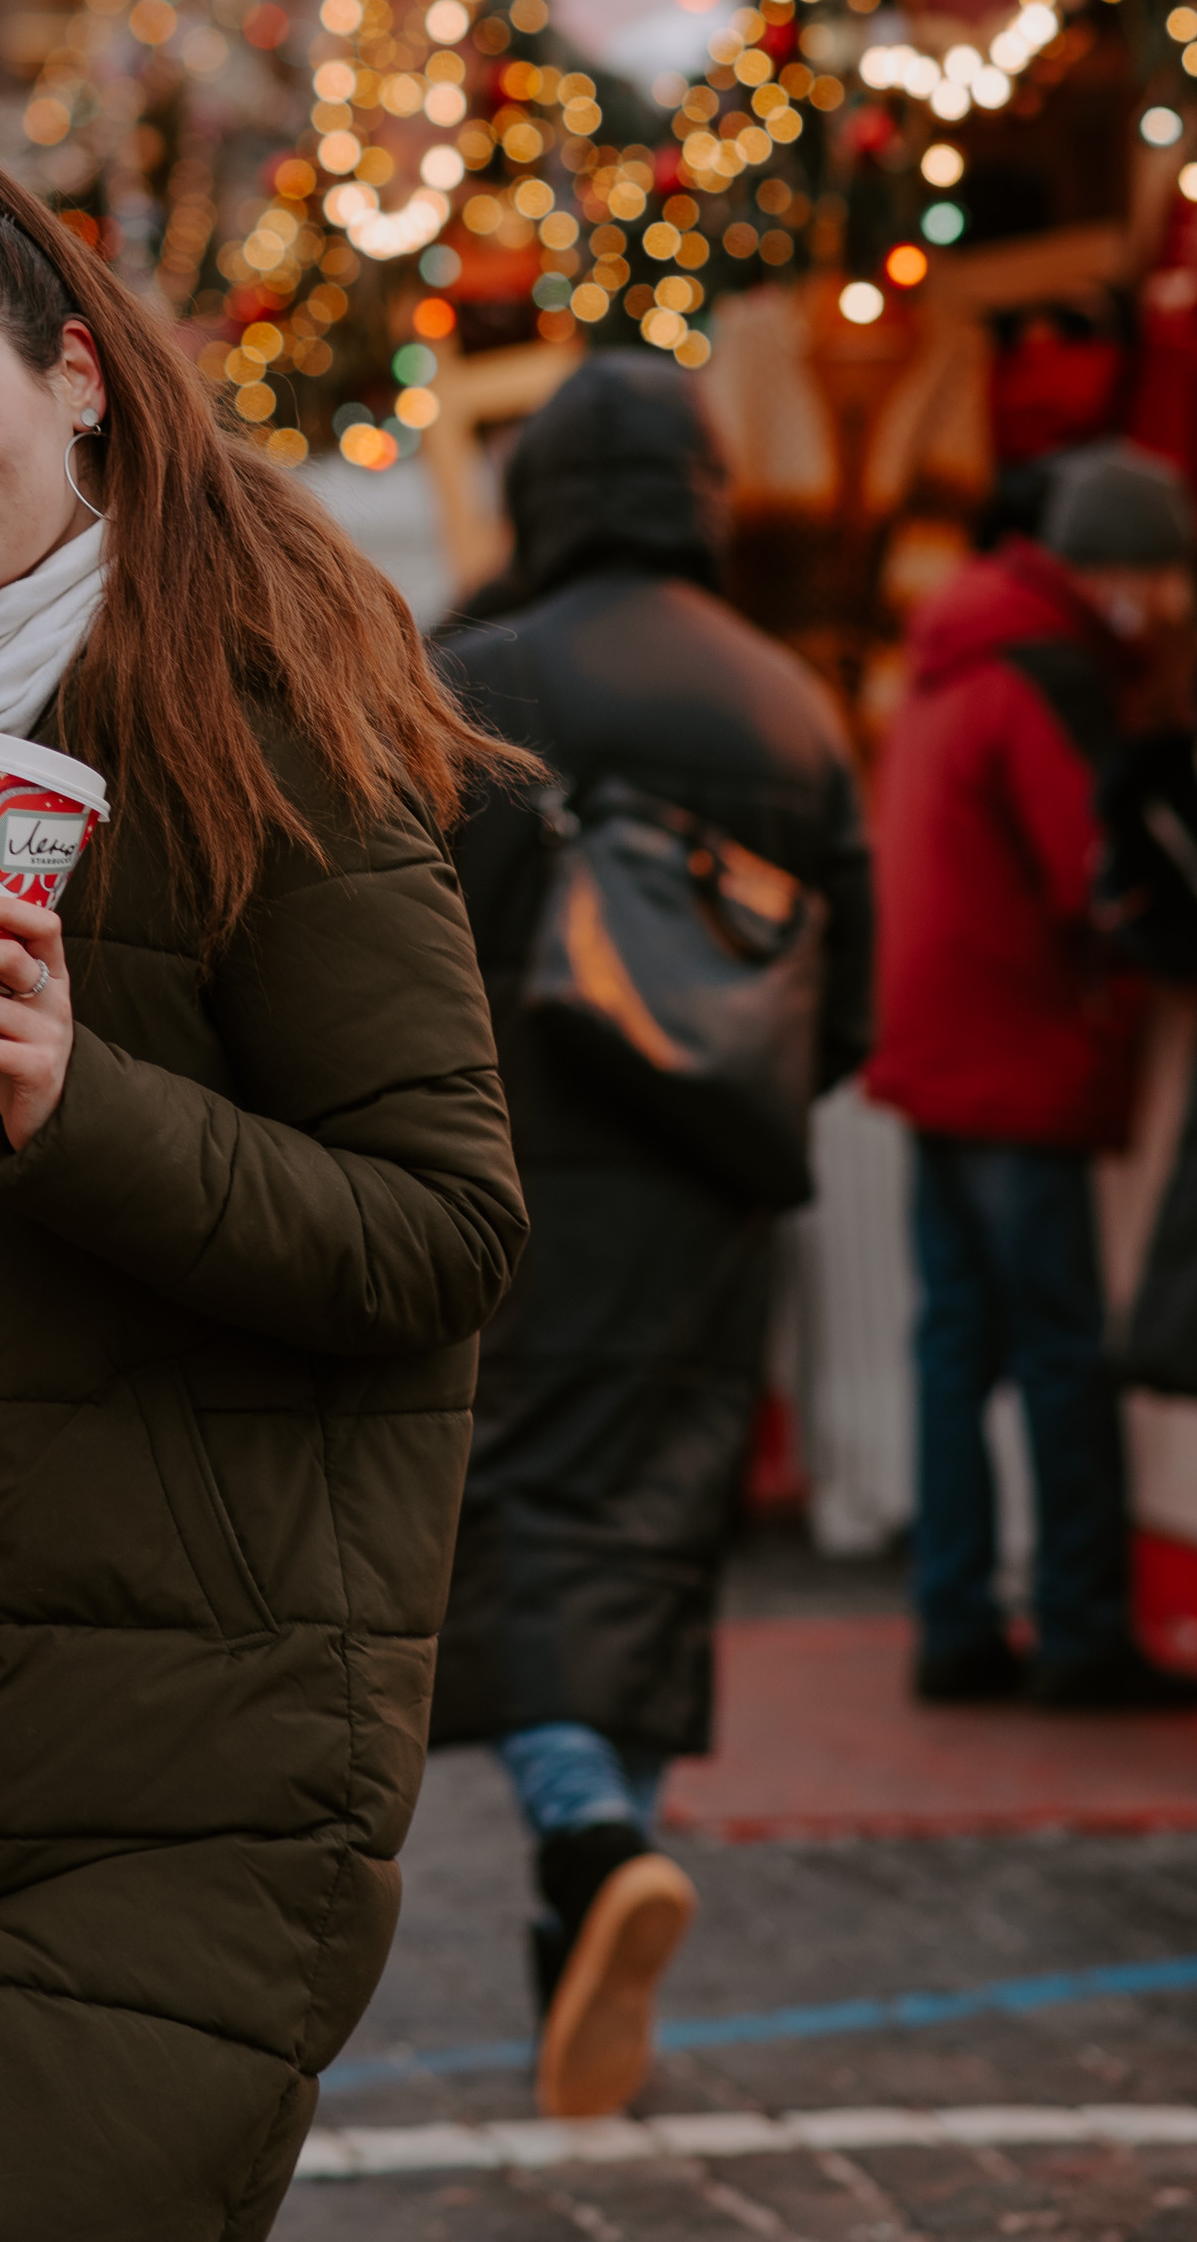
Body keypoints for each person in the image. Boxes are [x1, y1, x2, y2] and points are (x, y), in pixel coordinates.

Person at [0, 146, 527, 2242]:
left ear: (75, 379)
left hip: (202, 1782)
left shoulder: (255, 716)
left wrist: (83, 1103)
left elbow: (446, 1227)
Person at [428, 356, 875, 2122]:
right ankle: (588, 1935)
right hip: (713, 1213)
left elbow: (395, 962)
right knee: (657, 1543)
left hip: (516, 1184)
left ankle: (590, 1840)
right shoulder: (792, 704)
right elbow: (851, 1015)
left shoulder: (478, 678)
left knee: (517, 1522)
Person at [864, 436, 1197, 1711]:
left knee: (954, 1344)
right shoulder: (1047, 671)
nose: (1164, 603)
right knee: (1058, 1347)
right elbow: (1092, 869)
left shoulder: (953, 648)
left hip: (935, 1047)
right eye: (1158, 574)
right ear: (1114, 566)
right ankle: (1079, 1628)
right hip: (1015, 1047)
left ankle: (951, 1620)